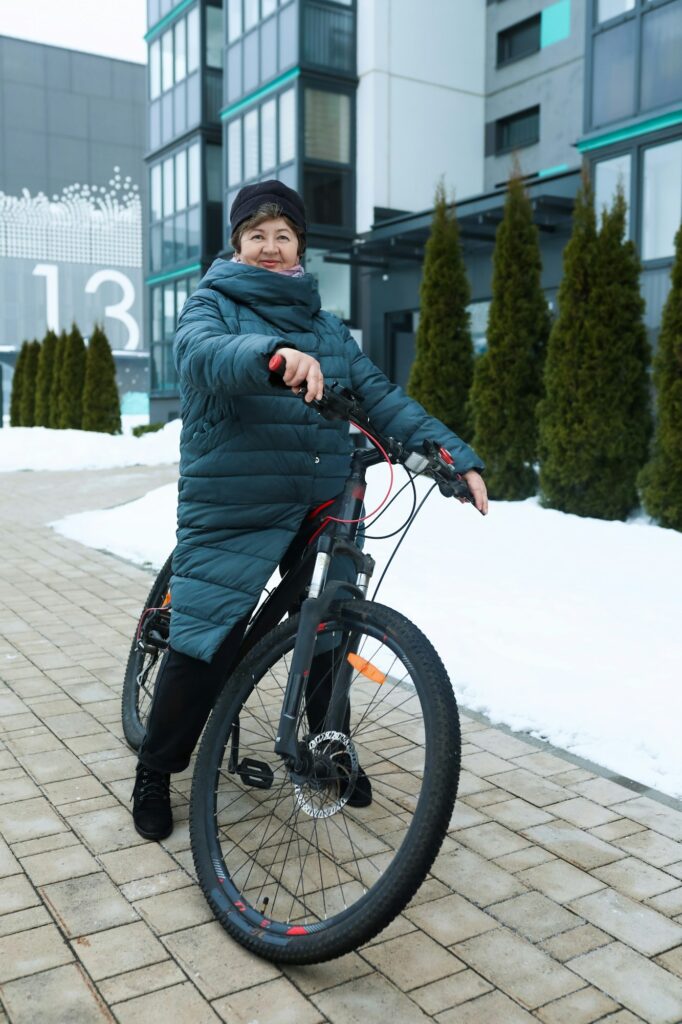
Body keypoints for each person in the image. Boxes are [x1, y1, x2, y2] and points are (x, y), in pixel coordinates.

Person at [131, 179, 488, 841]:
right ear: (238, 242)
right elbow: (201, 356)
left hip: (320, 493)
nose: (270, 246)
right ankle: (156, 766)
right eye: (256, 234)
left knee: (331, 624)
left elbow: (379, 396)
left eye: (283, 235)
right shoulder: (212, 303)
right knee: (209, 636)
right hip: (236, 498)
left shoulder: (328, 328)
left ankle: (326, 747)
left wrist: (451, 455)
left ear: (300, 246)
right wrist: (272, 357)